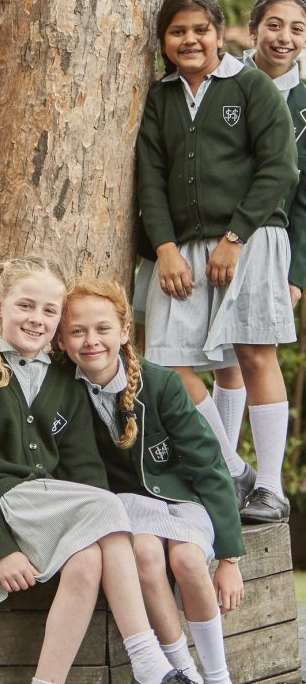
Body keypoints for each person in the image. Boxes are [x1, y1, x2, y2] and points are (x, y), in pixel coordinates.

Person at [0, 256, 194, 684]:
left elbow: (84, 469)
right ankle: (146, 658)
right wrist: (0, 550)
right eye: (25, 305)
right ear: (0, 305)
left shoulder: (63, 376)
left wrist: (94, 515)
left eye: (49, 310)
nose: (37, 319)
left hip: (45, 511)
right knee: (106, 508)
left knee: (89, 558)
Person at [137, 0, 299, 523]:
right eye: (177, 30)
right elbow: (151, 181)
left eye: (200, 29)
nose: (190, 39)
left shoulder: (252, 87)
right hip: (182, 248)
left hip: (251, 238)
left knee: (255, 355)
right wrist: (164, 247)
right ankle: (233, 469)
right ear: (163, 39)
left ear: (220, 33)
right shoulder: (159, 98)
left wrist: (235, 239)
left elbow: (280, 169)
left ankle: (272, 488)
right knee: (164, 361)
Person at [57, 277, 244, 684]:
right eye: (77, 331)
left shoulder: (161, 384)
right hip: (124, 504)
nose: (92, 341)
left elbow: (210, 466)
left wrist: (229, 559)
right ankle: (184, 673)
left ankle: (218, 675)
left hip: (179, 499)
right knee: (144, 553)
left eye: (103, 329)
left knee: (189, 559)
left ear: (124, 331)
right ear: (62, 341)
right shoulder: (62, 389)